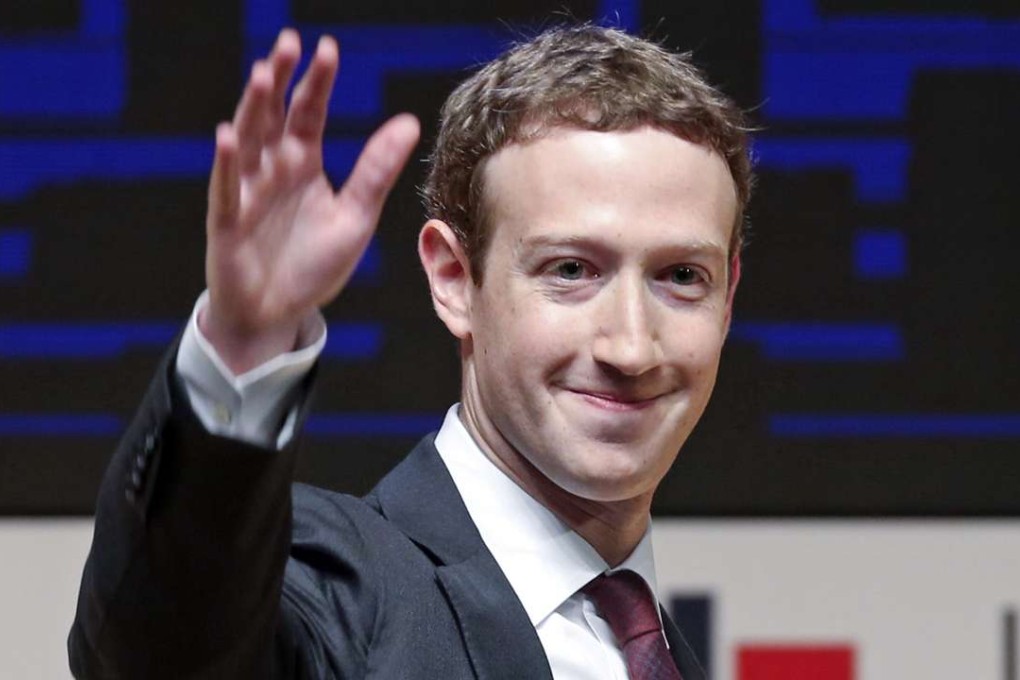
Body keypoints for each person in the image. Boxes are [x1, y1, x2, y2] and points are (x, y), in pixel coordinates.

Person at [69, 22, 751, 680]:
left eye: (681, 277)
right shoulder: (332, 588)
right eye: (570, 270)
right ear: (454, 279)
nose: (630, 346)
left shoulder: (653, 653)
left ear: (728, 296)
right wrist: (243, 342)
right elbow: (164, 649)